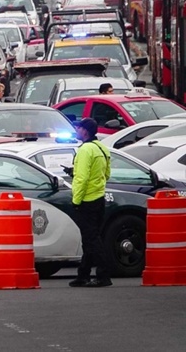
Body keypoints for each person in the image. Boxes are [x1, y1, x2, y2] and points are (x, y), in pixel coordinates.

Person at [69, 118, 113, 288]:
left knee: (91, 239)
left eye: (79, 127)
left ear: (85, 131)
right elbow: (106, 174)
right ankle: (83, 274)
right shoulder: (101, 148)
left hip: (87, 200)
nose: (77, 130)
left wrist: (76, 201)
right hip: (99, 197)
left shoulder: (85, 150)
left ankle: (103, 275)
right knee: (91, 238)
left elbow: (82, 178)